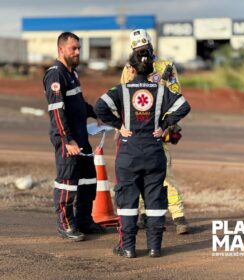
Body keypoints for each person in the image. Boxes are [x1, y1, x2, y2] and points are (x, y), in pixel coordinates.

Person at [95, 49, 190, 258]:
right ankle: (155, 247)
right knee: (155, 199)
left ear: (131, 68)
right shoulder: (161, 90)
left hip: (129, 152)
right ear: (150, 69)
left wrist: (118, 125)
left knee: (128, 201)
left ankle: (128, 247)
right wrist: (165, 124)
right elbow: (184, 106)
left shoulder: (122, 89)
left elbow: (99, 107)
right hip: (154, 150)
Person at [121, 29, 189, 234]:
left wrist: (168, 123)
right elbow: (124, 95)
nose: (142, 53)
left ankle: (178, 216)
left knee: (164, 172)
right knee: (140, 173)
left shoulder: (166, 67)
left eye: (145, 48)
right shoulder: (128, 68)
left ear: (151, 46)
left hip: (158, 129)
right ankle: (143, 213)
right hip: (137, 130)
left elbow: (176, 96)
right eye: (138, 49)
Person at [43, 32, 105, 241]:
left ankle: (84, 221)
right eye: (73, 48)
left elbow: (79, 105)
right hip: (68, 141)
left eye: (79, 48)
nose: (78, 52)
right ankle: (66, 224)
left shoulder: (72, 73)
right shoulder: (55, 75)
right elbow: (57, 112)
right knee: (67, 183)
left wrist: (99, 115)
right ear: (61, 49)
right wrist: (67, 140)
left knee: (88, 180)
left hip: (81, 138)